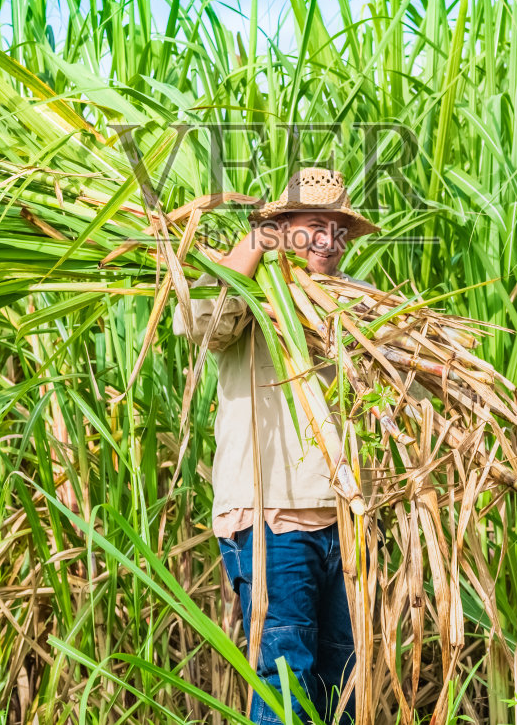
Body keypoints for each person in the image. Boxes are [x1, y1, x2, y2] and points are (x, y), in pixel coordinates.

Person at [173, 168, 379, 724]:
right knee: (286, 677)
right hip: (270, 520)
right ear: (282, 230)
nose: (330, 242)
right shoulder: (251, 296)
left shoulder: (356, 301)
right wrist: (254, 245)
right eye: (315, 226)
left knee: (346, 681)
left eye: (339, 230)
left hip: (345, 518)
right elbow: (197, 322)